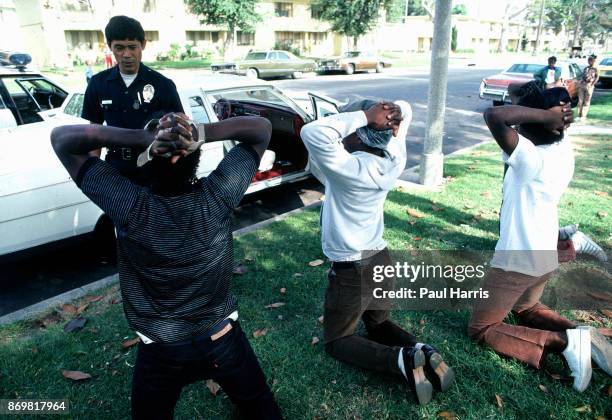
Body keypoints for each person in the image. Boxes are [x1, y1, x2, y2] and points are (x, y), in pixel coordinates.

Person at [50, 113, 283, 420]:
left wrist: (140, 136)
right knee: (260, 407)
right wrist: (198, 131)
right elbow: (261, 129)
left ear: (150, 158)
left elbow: (62, 140)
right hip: (222, 339)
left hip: (162, 351)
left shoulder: (128, 204)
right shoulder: (219, 194)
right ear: (195, 153)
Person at [300, 100, 455, 405]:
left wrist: (364, 116)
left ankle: (401, 361)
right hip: (380, 260)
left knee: (338, 340)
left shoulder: (347, 168)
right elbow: (406, 110)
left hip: (352, 268)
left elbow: (312, 132)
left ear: (358, 133)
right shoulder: (393, 156)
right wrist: (388, 117)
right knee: (379, 324)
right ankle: (421, 350)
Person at [469, 87, 611, 392]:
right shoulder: (563, 146)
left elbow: (494, 116)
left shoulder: (530, 159)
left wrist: (546, 115)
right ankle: (586, 337)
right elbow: (513, 114)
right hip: (545, 252)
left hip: (517, 260)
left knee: (482, 328)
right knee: (527, 307)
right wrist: (553, 117)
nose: (518, 123)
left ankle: (566, 343)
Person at [81, 15, 184, 186]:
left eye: (132, 47)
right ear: (110, 47)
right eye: (119, 48)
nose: (126, 54)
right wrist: (93, 170)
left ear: (142, 45)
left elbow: (179, 128)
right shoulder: (98, 84)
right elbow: (94, 132)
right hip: (115, 170)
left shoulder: (163, 85)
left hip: (154, 168)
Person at [577, 55, 599, 121]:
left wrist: (592, 84)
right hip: (582, 86)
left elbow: (597, 77)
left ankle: (584, 116)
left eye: (591, 61)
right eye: (589, 60)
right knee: (580, 101)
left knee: (586, 102)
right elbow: (582, 76)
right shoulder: (586, 68)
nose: (589, 62)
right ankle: (579, 115)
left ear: (594, 61)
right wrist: (580, 82)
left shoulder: (596, 69)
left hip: (589, 86)